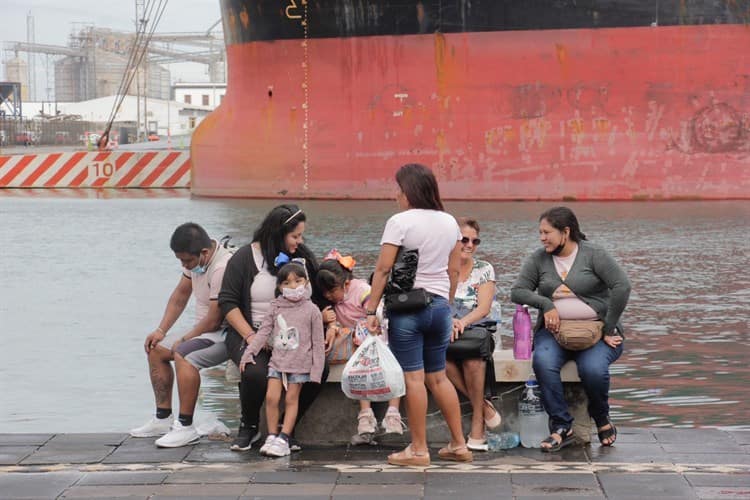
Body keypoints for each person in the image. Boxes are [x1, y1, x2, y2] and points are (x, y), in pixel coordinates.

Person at [365, 163, 472, 467]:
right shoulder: (450, 223)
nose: (396, 194)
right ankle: (459, 445)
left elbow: (384, 269)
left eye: (398, 188)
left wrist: (371, 308)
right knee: (437, 377)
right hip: (439, 306)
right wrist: (447, 305)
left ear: (408, 191)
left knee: (413, 378)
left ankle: (419, 450)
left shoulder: (399, 222)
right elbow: (453, 270)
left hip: (407, 309)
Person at [510, 206, 631, 452]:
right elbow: (517, 291)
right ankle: (561, 426)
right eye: (540, 233)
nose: (542, 238)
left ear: (566, 232)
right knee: (543, 362)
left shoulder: (594, 254)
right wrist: (546, 305)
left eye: (547, 232)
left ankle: (601, 418)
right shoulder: (538, 258)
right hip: (554, 334)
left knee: (593, 369)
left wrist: (609, 328)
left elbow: (622, 286)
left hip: (597, 333)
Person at [218, 204, 329, 451]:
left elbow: (320, 300)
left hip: (293, 338)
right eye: (294, 236)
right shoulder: (245, 257)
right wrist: (250, 335)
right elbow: (228, 301)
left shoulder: (301, 258)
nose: (298, 241)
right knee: (255, 372)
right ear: (277, 233)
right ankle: (248, 426)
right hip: (250, 331)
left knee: (318, 371)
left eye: (301, 236)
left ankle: (284, 430)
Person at [130, 223, 234, 447]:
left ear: (204, 253)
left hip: (227, 334)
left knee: (184, 354)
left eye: (186, 261)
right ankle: (163, 418)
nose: (184, 265)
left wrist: (185, 339)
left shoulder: (221, 267)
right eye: (180, 261)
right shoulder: (196, 260)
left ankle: (186, 427)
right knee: (156, 348)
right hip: (205, 331)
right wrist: (160, 331)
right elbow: (180, 296)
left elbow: (215, 318)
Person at [316, 250, 405, 442]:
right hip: (355, 342)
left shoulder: (362, 290)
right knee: (360, 368)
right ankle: (365, 414)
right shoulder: (331, 301)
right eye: (325, 293)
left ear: (346, 283)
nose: (329, 296)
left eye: (332, 291)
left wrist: (367, 327)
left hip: (376, 334)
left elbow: (377, 311)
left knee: (392, 366)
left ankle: (393, 412)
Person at [239, 262, 325, 457]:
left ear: (306, 282)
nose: (293, 286)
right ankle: (272, 435)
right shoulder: (275, 307)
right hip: (277, 361)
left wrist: (316, 371)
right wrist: (249, 352)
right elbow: (263, 332)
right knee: (271, 397)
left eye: (298, 281)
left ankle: (284, 437)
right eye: (287, 282)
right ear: (279, 287)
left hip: (300, 364)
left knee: (292, 399)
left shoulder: (312, 310)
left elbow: (318, 343)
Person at [445, 218, 502, 452]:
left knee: (473, 360)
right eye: (464, 239)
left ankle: (478, 424)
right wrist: (448, 321)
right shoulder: (442, 267)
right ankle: (484, 407)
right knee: (435, 356)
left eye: (474, 241)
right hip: (447, 328)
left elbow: (484, 308)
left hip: (476, 329)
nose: (469, 245)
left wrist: (461, 322)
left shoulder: (484, 269)